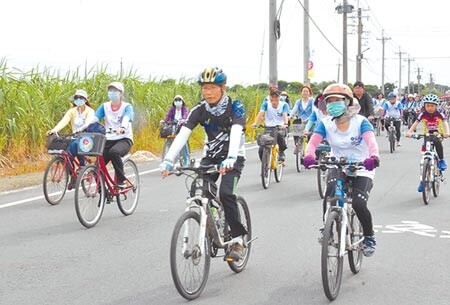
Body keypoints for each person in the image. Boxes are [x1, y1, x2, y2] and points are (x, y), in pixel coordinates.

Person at [160, 67, 248, 261]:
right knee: (198, 191)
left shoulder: (235, 107)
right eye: (204, 88)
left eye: (211, 88)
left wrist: (232, 157)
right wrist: (168, 160)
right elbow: (183, 134)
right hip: (211, 157)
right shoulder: (200, 110)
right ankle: (212, 220)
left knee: (226, 194)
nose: (207, 92)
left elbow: (235, 131)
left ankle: (238, 239)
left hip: (234, 157)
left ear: (223, 87)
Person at [302, 83, 380, 257]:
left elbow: (371, 142)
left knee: (359, 204)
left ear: (347, 102)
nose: (332, 104)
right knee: (330, 194)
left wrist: (373, 157)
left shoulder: (361, 122)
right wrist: (308, 155)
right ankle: (327, 228)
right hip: (337, 165)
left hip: (362, 167)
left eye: (337, 100)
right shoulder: (325, 123)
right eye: (329, 101)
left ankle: (369, 237)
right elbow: (313, 142)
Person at [77, 81, 134, 188]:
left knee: (114, 152)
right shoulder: (105, 106)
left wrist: (122, 127)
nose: (112, 93)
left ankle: (121, 180)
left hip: (124, 138)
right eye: (110, 90)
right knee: (97, 165)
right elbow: (95, 118)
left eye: (115, 91)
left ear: (121, 93)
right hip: (109, 138)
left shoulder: (127, 106)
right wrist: (84, 126)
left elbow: (127, 117)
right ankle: (103, 192)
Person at [47, 89, 95, 189]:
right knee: (66, 154)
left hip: (86, 139)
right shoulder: (72, 111)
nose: (78, 100)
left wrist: (82, 129)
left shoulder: (90, 111)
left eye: (81, 98)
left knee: (75, 146)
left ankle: (82, 167)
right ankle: (73, 174)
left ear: (85, 100)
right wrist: (54, 130)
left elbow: (89, 122)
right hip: (74, 137)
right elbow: (64, 121)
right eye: (76, 98)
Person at [406, 94, 450, 191]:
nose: (430, 108)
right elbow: (415, 123)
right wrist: (410, 132)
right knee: (425, 157)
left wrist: (447, 132)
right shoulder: (423, 114)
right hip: (427, 135)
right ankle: (423, 181)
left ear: (436, 106)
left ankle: (441, 160)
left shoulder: (439, 114)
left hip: (438, 133)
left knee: (436, 141)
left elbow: (445, 123)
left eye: (432, 106)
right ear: (424, 106)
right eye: (428, 106)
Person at [252, 89, 289, 161]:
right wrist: (255, 123)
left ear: (279, 97)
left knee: (280, 136)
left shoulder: (284, 105)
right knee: (262, 148)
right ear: (270, 97)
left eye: (276, 97)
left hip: (279, 127)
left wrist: (285, 124)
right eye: (272, 96)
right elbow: (261, 113)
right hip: (268, 127)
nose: (274, 99)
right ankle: (265, 166)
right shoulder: (266, 104)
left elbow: (285, 115)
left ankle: (281, 152)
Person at [160, 95, 190, 166]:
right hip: (173, 126)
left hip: (182, 127)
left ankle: (186, 159)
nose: (178, 102)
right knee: (169, 137)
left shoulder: (184, 109)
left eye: (179, 100)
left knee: (182, 141)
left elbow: (185, 115)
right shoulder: (172, 109)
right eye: (176, 100)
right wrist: (164, 121)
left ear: (182, 102)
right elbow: (168, 117)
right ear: (174, 102)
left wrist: (183, 119)